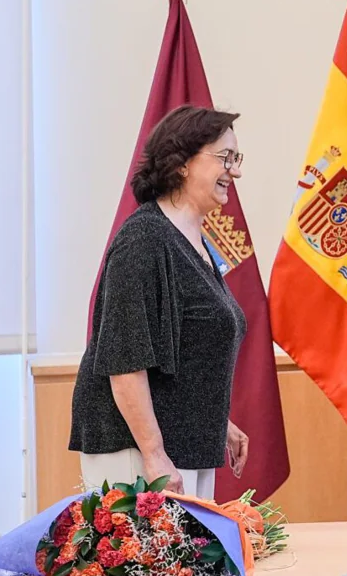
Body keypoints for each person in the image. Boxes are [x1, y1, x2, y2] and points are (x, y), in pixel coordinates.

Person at [69, 105, 251, 498]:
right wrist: (154, 455)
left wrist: (217, 422)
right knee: (155, 561)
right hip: (138, 451)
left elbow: (186, 353)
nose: (235, 171)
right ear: (183, 163)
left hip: (184, 445)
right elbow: (124, 362)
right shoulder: (145, 240)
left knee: (194, 560)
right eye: (225, 158)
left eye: (236, 159)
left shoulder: (192, 240)